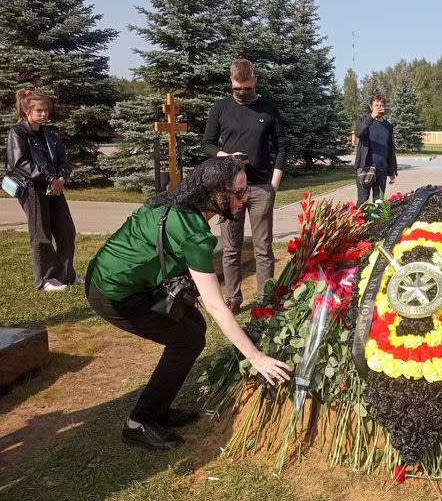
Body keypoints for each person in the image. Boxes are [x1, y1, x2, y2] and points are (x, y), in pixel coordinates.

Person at [86, 157, 292, 451]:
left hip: (117, 277)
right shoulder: (194, 233)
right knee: (187, 340)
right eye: (238, 192)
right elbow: (216, 304)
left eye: (245, 191)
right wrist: (255, 357)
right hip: (112, 293)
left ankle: (158, 409)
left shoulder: (172, 201)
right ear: (215, 195)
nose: (243, 198)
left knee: (192, 328)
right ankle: (138, 423)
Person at [202, 59, 287, 313]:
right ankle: (234, 298)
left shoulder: (269, 109)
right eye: (238, 89)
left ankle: (265, 299)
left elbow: (282, 146)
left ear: (255, 81)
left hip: (261, 187)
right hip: (229, 189)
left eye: (247, 88)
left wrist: (274, 184)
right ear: (231, 82)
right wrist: (225, 157)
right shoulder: (220, 108)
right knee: (230, 248)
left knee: (263, 248)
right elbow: (206, 144)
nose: (242, 93)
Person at [6, 89, 78, 292]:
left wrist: (61, 178)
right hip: (32, 189)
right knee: (41, 235)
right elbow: (19, 162)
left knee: (66, 231)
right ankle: (45, 279)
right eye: (39, 110)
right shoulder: (17, 132)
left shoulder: (50, 134)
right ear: (26, 111)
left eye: (46, 110)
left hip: (55, 188)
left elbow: (64, 161)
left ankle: (66, 275)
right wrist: (50, 178)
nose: (44, 114)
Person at [354, 92, 397, 207]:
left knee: (379, 202)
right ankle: (359, 223)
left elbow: (390, 149)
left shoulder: (388, 126)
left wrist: (392, 171)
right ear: (371, 107)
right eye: (376, 105)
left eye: (381, 105)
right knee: (362, 201)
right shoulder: (363, 121)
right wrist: (371, 117)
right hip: (365, 168)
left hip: (381, 170)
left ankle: (376, 224)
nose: (379, 107)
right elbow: (358, 132)